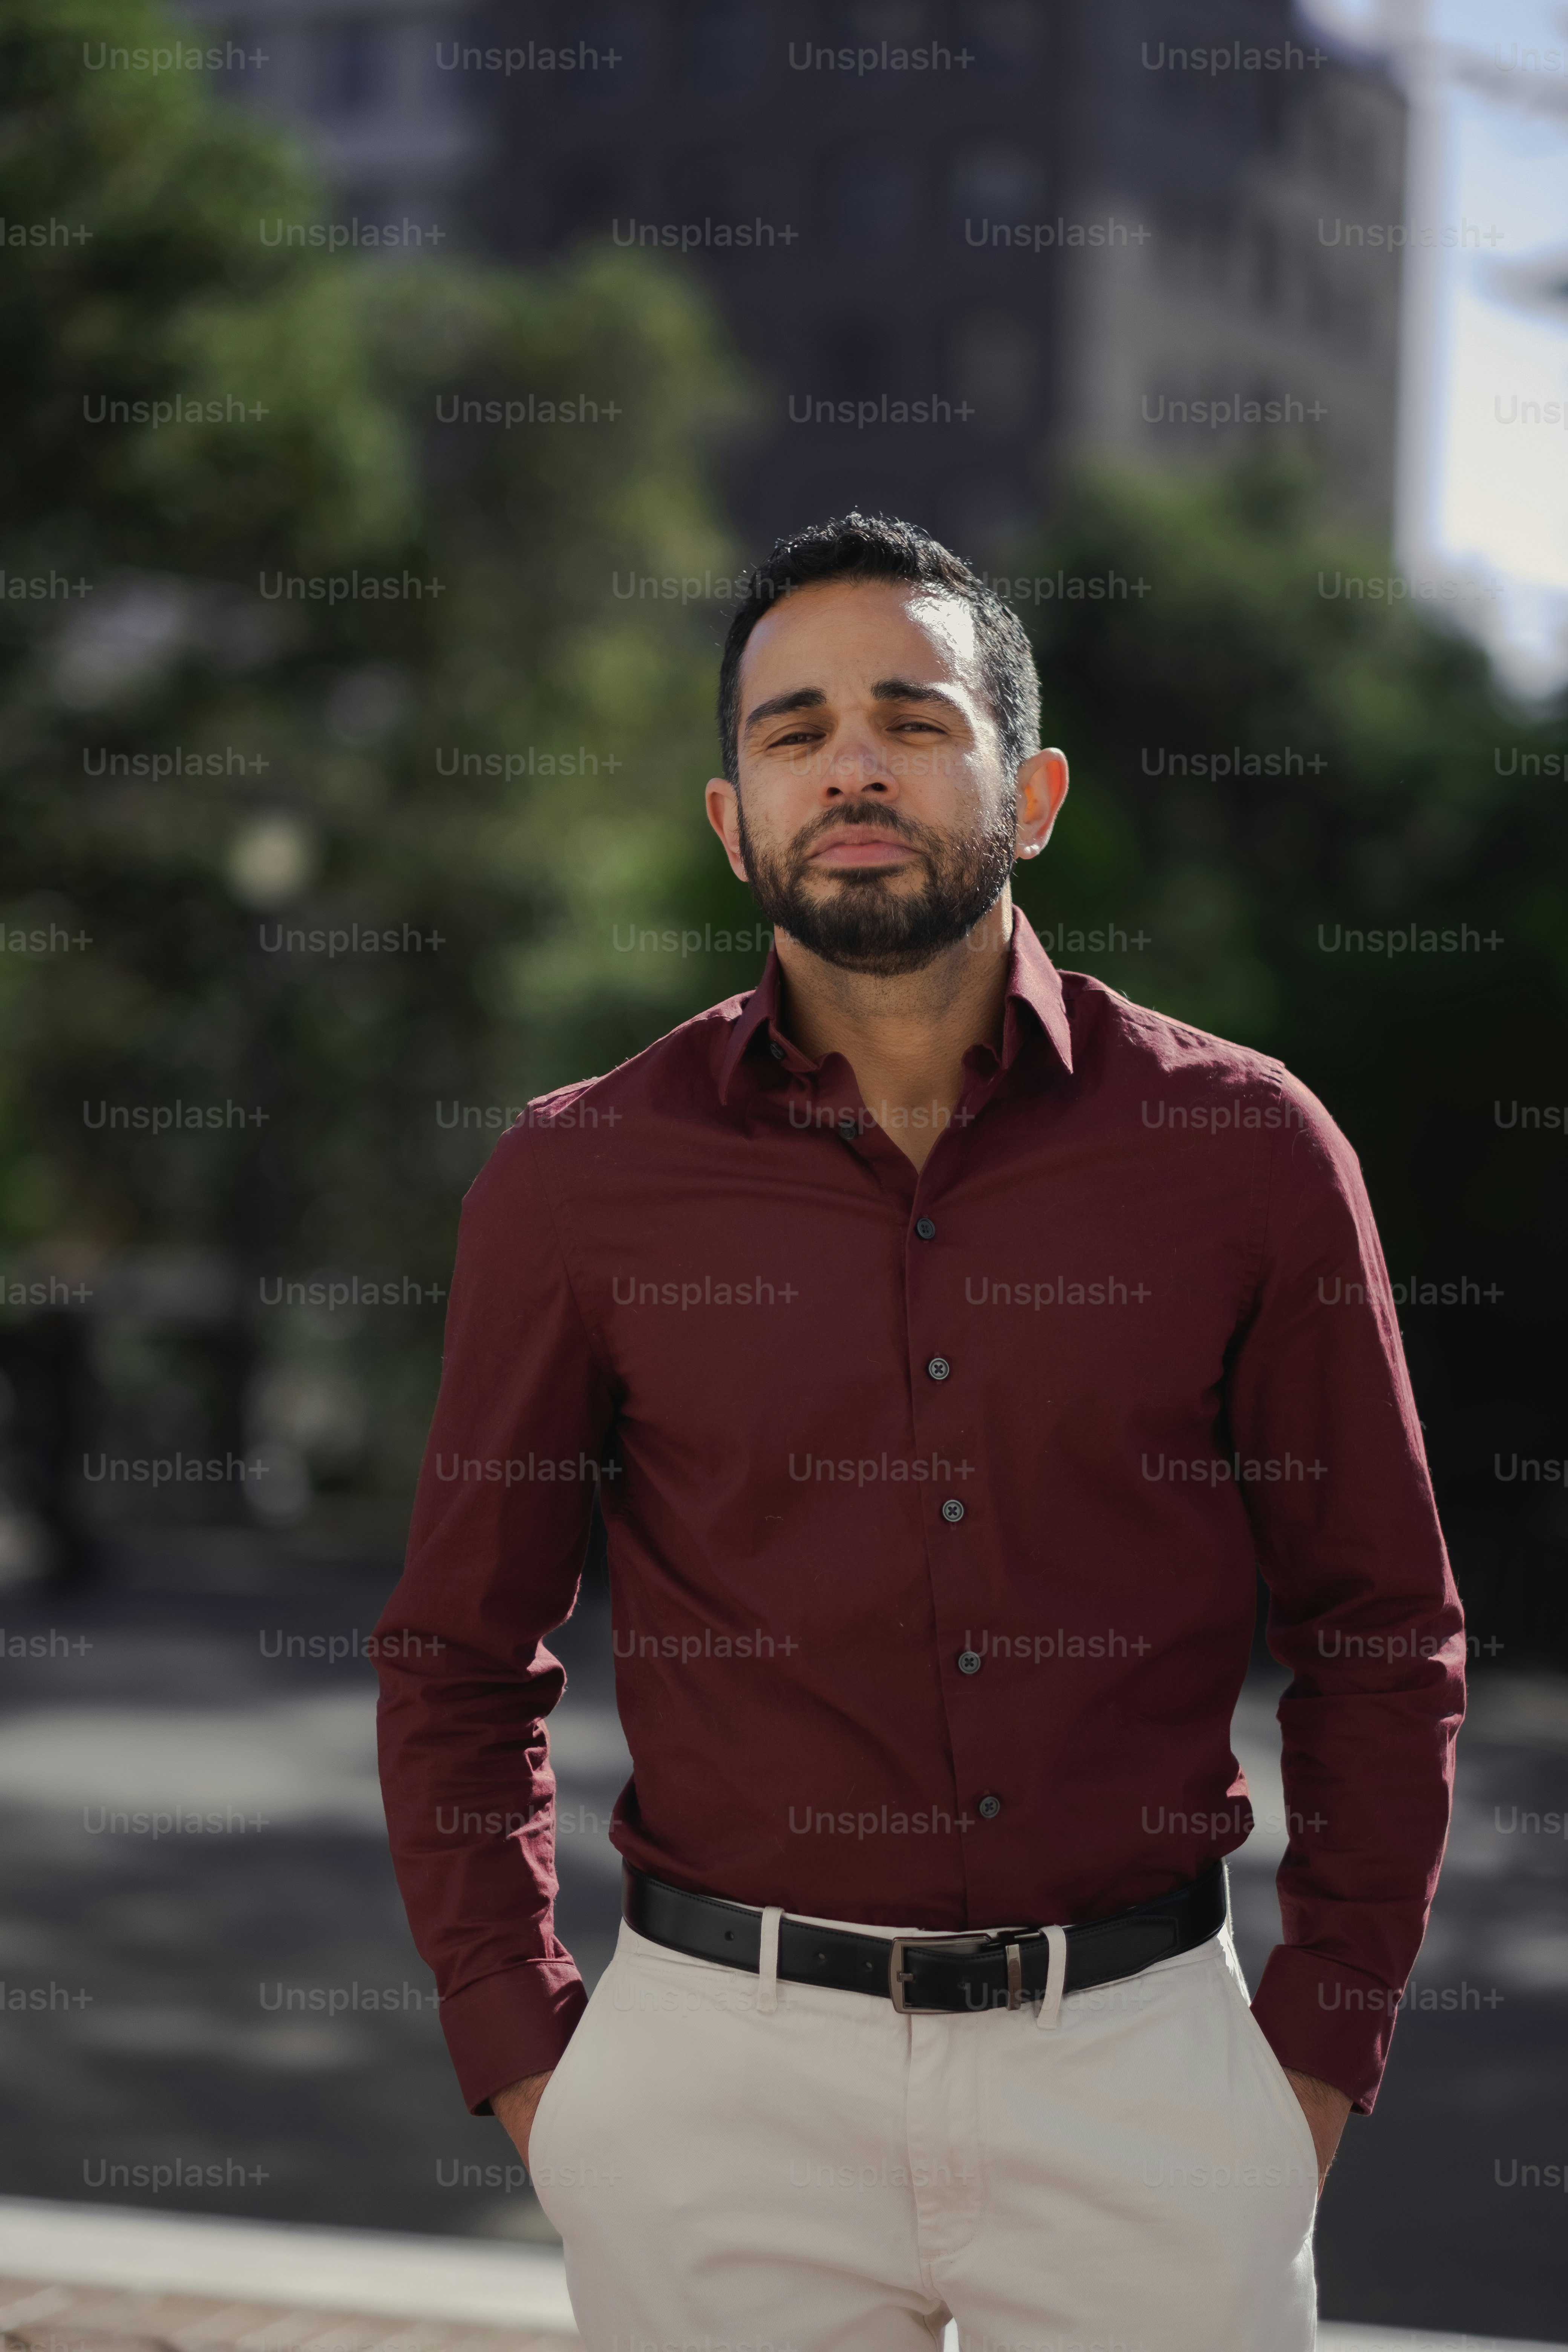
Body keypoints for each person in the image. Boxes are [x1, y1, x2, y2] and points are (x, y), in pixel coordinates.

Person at [374, 513, 1464, 2352]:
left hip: (1144, 2086)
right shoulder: (577, 1183)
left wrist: (1312, 2064)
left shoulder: (1248, 1154)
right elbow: (458, 1653)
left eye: (910, 716)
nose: (851, 764)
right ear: (734, 824)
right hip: (712, 2092)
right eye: (791, 734)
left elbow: (1381, 1631)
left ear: (1026, 790)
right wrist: (535, 2070)